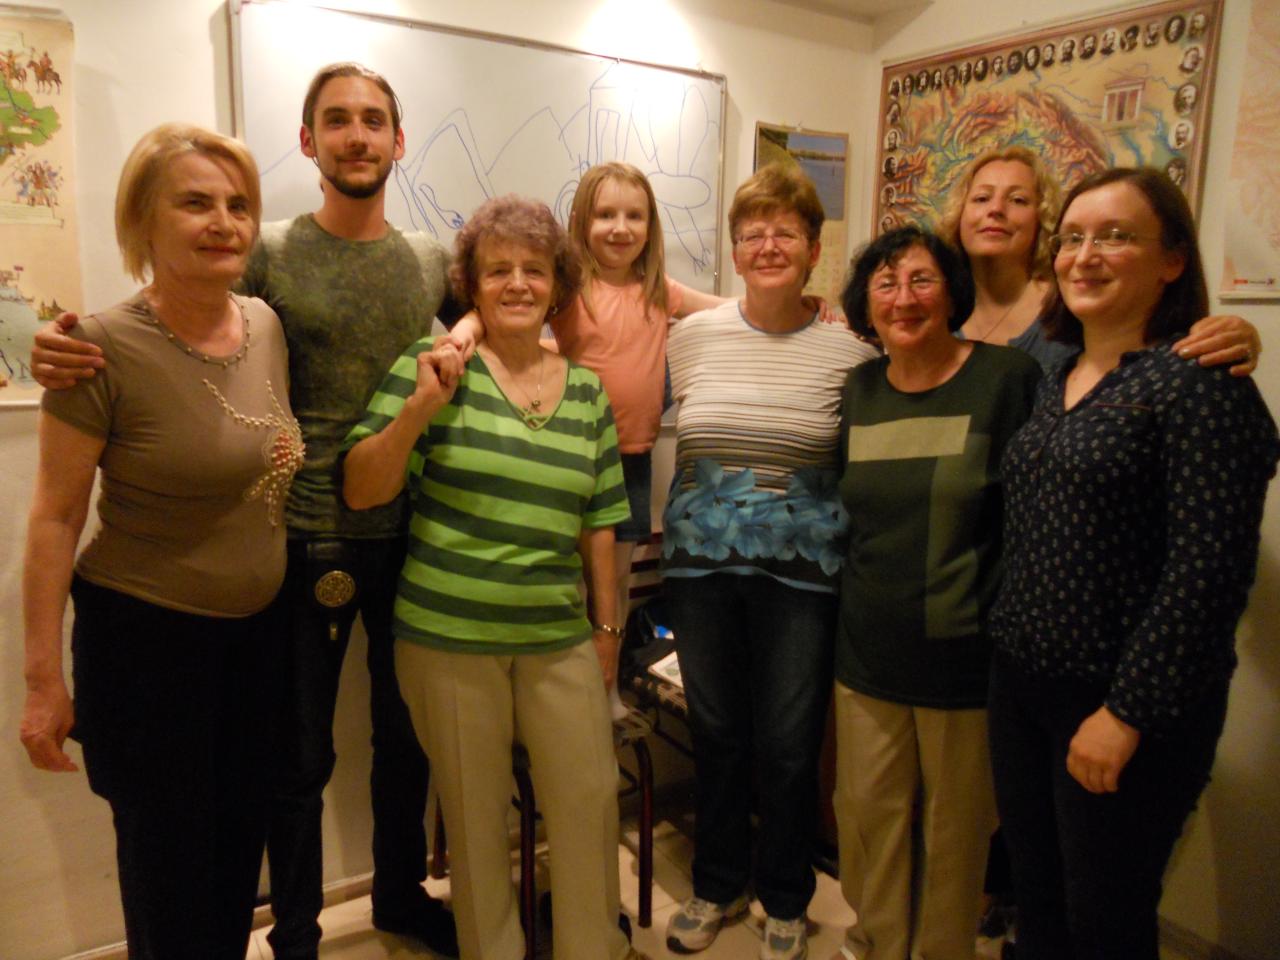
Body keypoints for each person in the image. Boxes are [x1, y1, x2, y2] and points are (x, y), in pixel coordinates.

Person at [30, 62, 479, 960]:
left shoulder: (424, 260)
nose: (358, 135)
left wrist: (465, 329)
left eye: (375, 120)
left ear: (399, 139)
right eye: (337, 120)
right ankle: (297, 937)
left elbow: (502, 308)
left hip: (400, 537)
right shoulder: (263, 252)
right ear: (308, 141)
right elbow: (170, 329)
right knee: (290, 765)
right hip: (290, 549)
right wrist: (52, 345)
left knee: (401, 742)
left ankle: (397, 897)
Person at [19, 123, 303, 959]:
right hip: (149, 653)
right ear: (143, 220)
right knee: (170, 890)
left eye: (239, 205)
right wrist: (42, 682)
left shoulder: (265, 325)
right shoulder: (95, 348)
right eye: (195, 203)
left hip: (256, 643)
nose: (224, 222)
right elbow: (54, 519)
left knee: (233, 878)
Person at [987, 167, 1279, 960]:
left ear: (1172, 260)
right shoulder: (1058, 377)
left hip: (1121, 705)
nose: (1085, 255)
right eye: (1073, 237)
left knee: (1105, 926)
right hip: (1025, 689)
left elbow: (1208, 575)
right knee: (1037, 905)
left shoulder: (1202, 386)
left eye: (1115, 236)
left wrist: (1127, 714)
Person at [342, 194, 642, 960]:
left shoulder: (585, 392)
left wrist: (607, 632)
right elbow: (362, 488)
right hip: (447, 639)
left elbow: (600, 521)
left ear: (556, 284)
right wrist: (419, 408)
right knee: (476, 830)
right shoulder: (434, 368)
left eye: (534, 269)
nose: (517, 283)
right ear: (470, 285)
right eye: (498, 269)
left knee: (589, 804)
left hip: (557, 637)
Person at [660, 163, 878, 960]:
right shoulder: (690, 338)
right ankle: (717, 882)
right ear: (735, 252)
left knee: (789, 742)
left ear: (814, 249)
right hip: (701, 569)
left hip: (803, 577)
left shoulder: (851, 355)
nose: (769, 245)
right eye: (753, 233)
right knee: (717, 731)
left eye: (786, 231)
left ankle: (785, 894)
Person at [833, 225, 1040, 960]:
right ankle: (879, 944)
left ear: (951, 291)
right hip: (866, 656)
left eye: (921, 280)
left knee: (956, 839)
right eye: (886, 284)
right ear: (867, 305)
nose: (904, 298)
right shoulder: (859, 390)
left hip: (965, 664)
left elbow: (1031, 519)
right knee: (867, 821)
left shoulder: (1007, 380)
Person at [940, 146, 1261, 374]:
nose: (995, 210)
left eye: (1018, 200)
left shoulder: (1078, 299)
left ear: (1044, 219)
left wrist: (1239, 336)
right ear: (959, 213)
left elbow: (1159, 348)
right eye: (981, 198)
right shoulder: (932, 309)